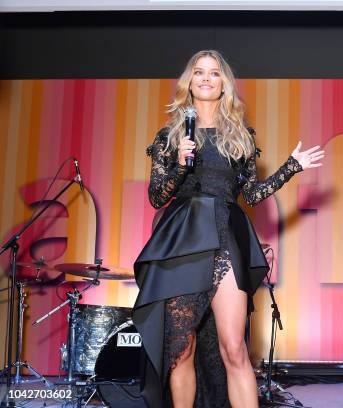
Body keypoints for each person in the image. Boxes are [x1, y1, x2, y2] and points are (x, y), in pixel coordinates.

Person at [131, 50, 324, 408]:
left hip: (225, 237)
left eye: (214, 73)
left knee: (234, 348)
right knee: (181, 350)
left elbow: (251, 193)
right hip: (183, 242)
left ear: (224, 85)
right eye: (199, 72)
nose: (206, 78)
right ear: (189, 82)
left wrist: (290, 167)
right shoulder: (169, 138)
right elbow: (158, 197)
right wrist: (179, 165)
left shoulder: (240, 137)